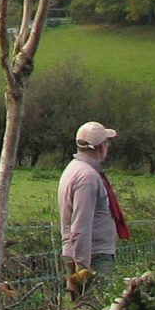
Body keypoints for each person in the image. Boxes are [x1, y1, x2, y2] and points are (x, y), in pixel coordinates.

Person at [58, 121, 129, 298]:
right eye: (106, 143)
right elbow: (81, 225)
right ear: (100, 147)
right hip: (93, 258)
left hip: (85, 254)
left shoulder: (74, 169)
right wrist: (82, 268)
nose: (108, 147)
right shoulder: (87, 177)